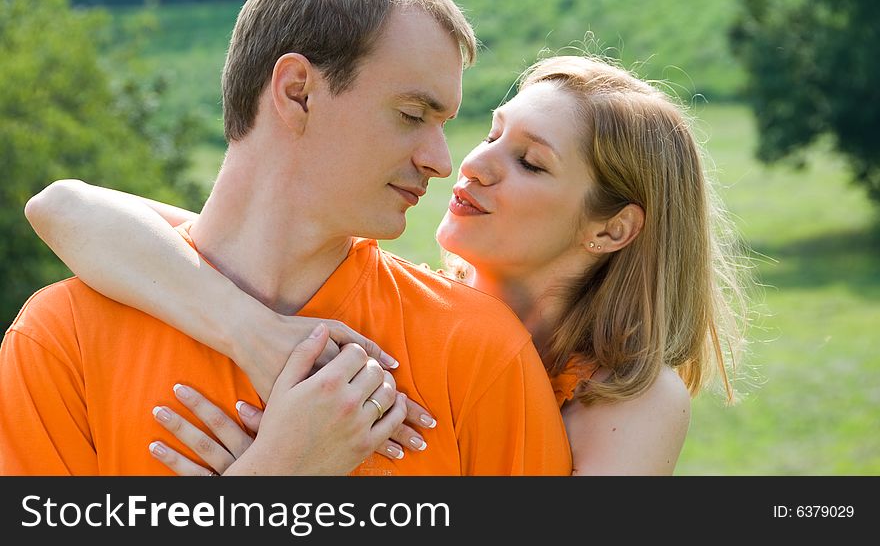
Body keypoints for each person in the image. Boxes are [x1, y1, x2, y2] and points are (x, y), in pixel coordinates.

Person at [19, 51, 753, 476]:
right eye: (492, 133)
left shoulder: (631, 401)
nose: (467, 164)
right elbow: (64, 210)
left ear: (612, 229)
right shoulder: (400, 313)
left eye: (529, 162)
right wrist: (260, 340)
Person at [0, 0, 573, 476]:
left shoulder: (476, 351)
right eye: (411, 115)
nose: (441, 161)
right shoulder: (62, 343)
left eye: (442, 124)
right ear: (297, 91)